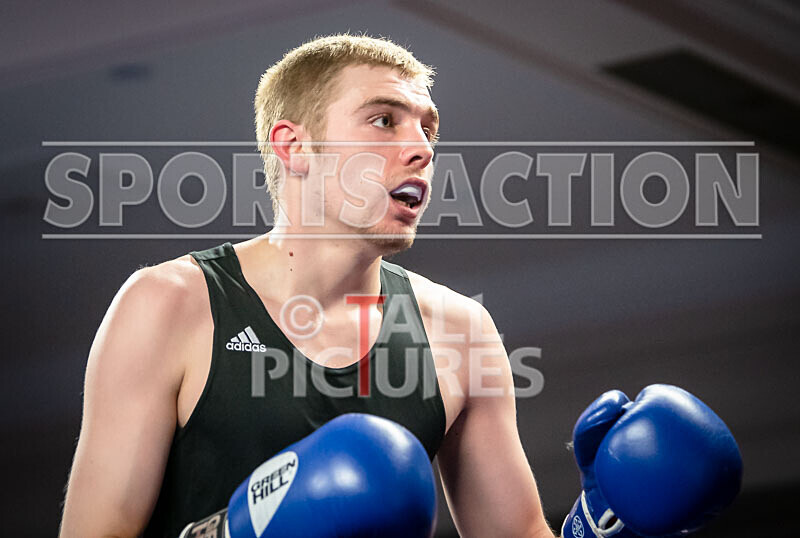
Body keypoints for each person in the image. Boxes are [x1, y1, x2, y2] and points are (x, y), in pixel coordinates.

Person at [59, 34, 555, 537]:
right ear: (293, 147)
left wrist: (603, 523)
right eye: (385, 120)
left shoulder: (458, 331)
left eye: (428, 129)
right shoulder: (170, 304)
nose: (422, 149)